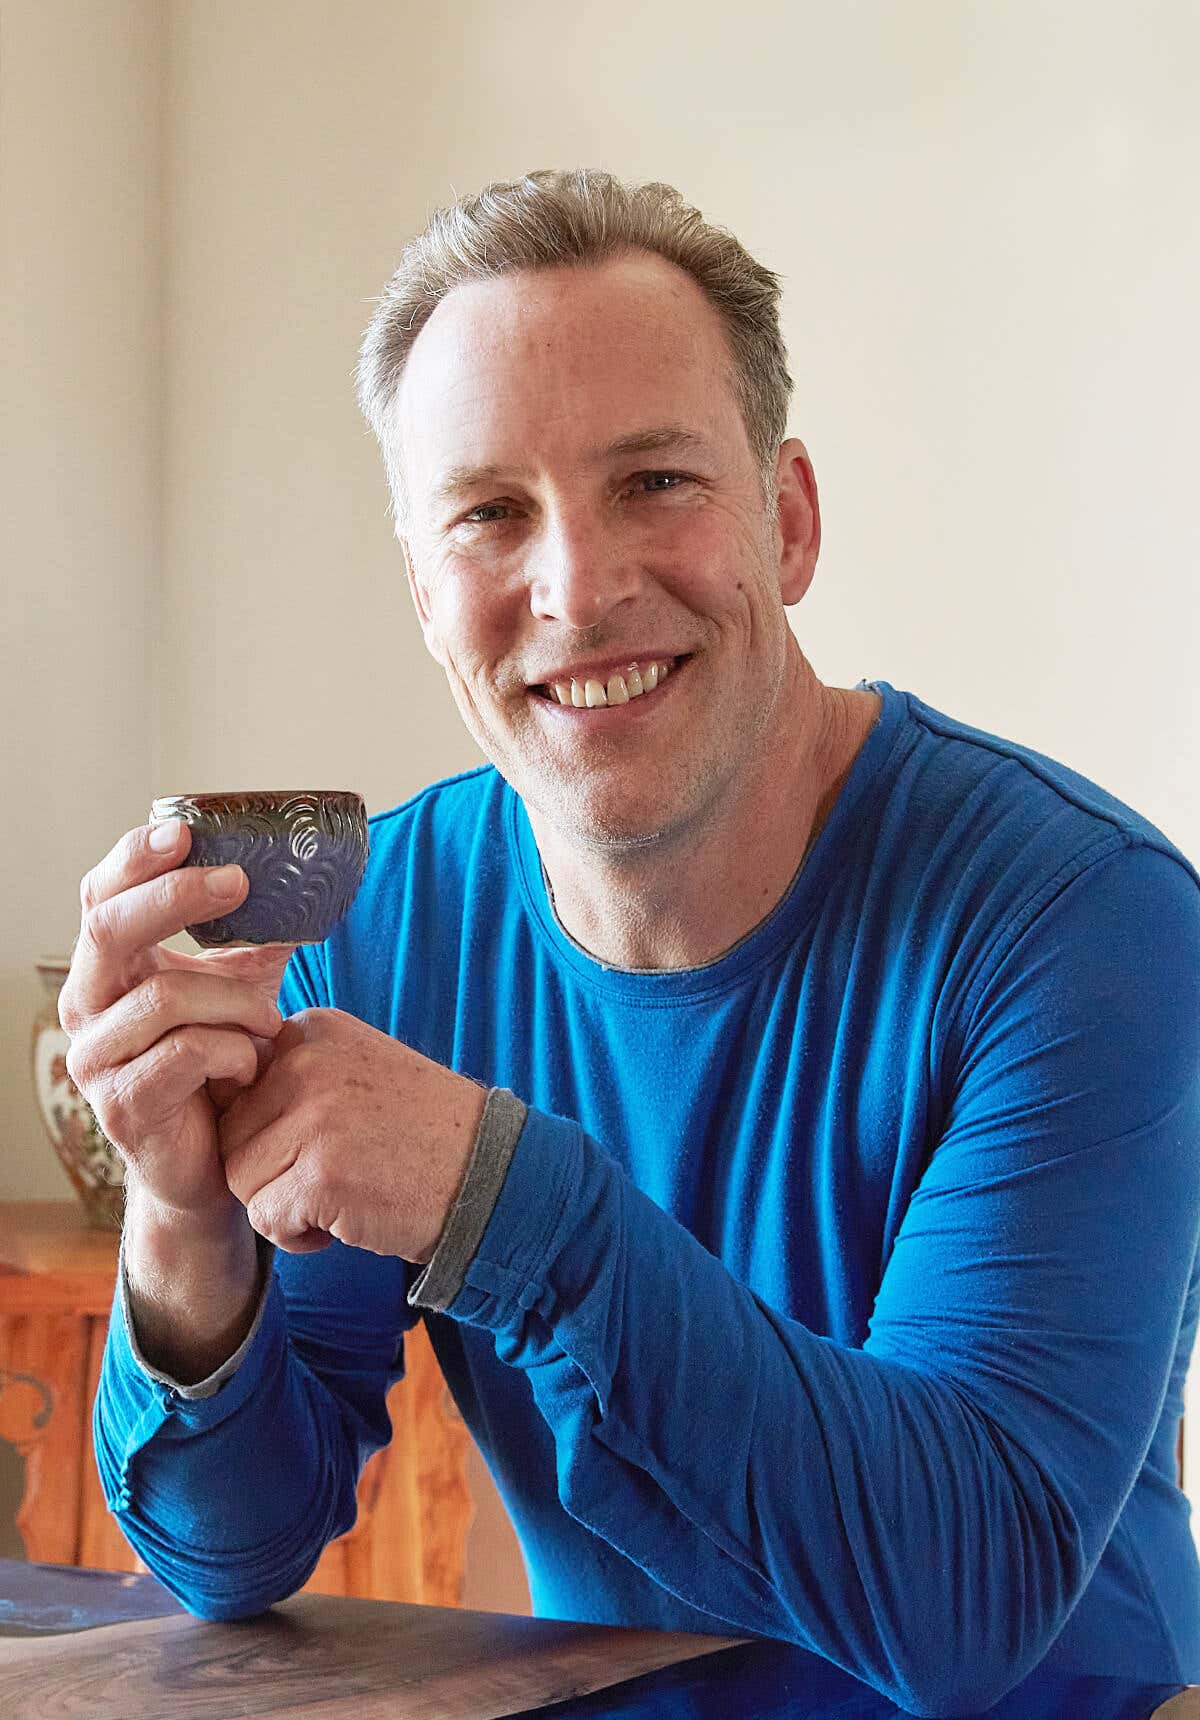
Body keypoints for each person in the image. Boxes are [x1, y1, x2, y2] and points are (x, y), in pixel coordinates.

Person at [61, 170, 1200, 1714]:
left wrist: (496, 1197)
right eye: (490, 513)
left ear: (788, 522)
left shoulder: (1086, 920)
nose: (579, 590)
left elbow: (965, 1598)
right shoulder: (382, 931)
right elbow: (235, 1549)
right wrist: (182, 1222)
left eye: (655, 480)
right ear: (425, 592)